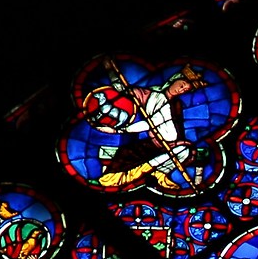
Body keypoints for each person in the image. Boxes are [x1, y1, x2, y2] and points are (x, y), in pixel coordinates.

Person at [81, 63, 210, 190]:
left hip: (171, 145)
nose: (181, 90)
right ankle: (132, 176)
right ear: (174, 79)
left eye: (185, 90)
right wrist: (111, 72)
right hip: (154, 143)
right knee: (129, 158)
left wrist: (176, 141)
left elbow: (177, 126)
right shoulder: (149, 95)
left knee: (184, 151)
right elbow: (123, 90)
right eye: (181, 85)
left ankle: (160, 173)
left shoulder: (176, 104)